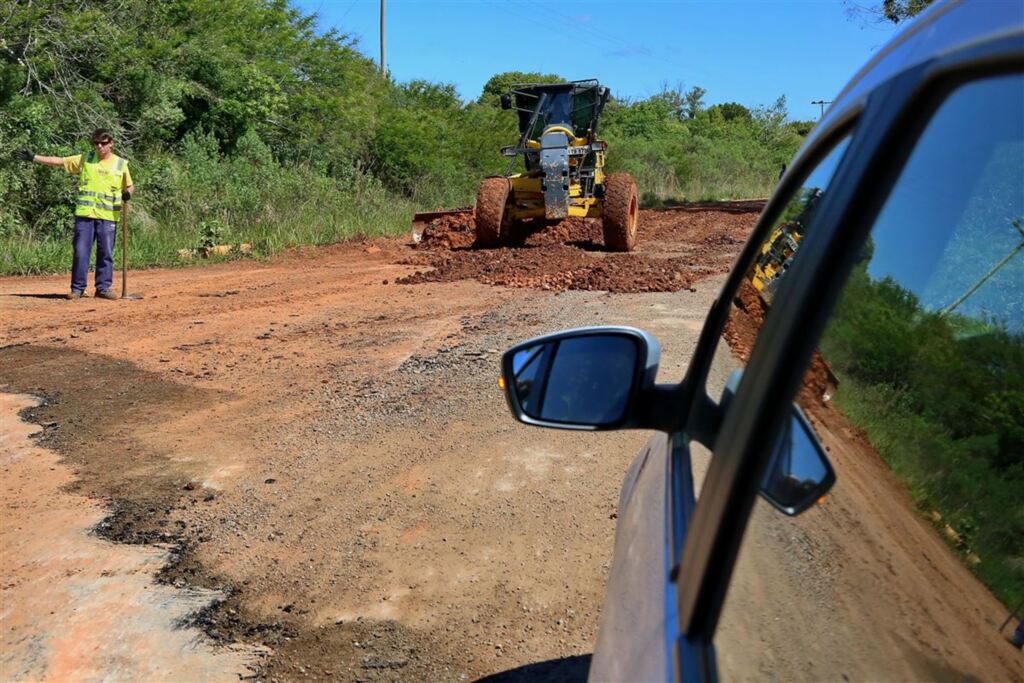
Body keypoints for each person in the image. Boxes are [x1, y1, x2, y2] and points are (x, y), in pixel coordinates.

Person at [16, 129, 134, 300]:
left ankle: (103, 288)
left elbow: (130, 185)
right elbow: (60, 162)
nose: (99, 146)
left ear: (111, 143)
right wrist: (34, 157)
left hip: (108, 217)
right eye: (96, 143)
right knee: (80, 251)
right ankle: (77, 289)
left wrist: (128, 193)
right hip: (85, 215)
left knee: (106, 253)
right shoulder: (86, 159)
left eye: (103, 143)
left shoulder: (120, 164)